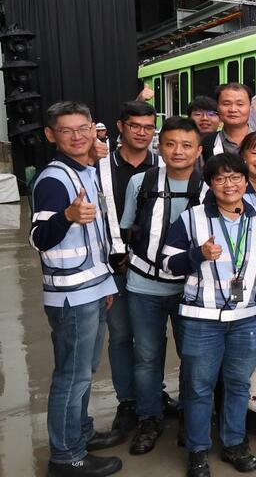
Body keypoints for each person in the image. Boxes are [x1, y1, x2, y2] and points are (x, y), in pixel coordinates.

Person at [162, 152, 256, 477]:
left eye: (236, 177)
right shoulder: (192, 218)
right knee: (198, 387)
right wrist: (198, 254)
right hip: (202, 319)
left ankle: (234, 443)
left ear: (245, 180)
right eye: (221, 178)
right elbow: (168, 264)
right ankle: (197, 450)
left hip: (248, 319)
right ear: (211, 184)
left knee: (238, 385)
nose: (230, 184)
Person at [30, 101, 123, 477]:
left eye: (83, 128)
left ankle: (81, 433)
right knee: (72, 376)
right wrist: (66, 217)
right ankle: (67, 456)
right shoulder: (54, 179)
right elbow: (38, 238)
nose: (77, 136)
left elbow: (95, 236)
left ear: (94, 130)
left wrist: (105, 284)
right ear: (51, 135)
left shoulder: (84, 170)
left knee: (83, 370)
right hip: (71, 297)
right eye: (66, 130)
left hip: (91, 288)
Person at [119, 116, 206, 455]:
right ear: (159, 146)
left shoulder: (208, 187)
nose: (178, 151)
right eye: (170, 144)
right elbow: (129, 228)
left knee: (193, 357)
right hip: (143, 286)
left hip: (192, 291)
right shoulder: (141, 183)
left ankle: (190, 416)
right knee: (147, 356)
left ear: (199, 150)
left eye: (187, 145)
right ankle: (149, 417)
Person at [97, 101, 161, 447]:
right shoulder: (101, 168)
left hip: (158, 269)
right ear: (120, 126)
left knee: (154, 340)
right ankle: (128, 401)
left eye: (148, 127)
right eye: (135, 125)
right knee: (121, 335)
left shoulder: (165, 164)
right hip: (116, 268)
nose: (141, 132)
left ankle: (154, 395)